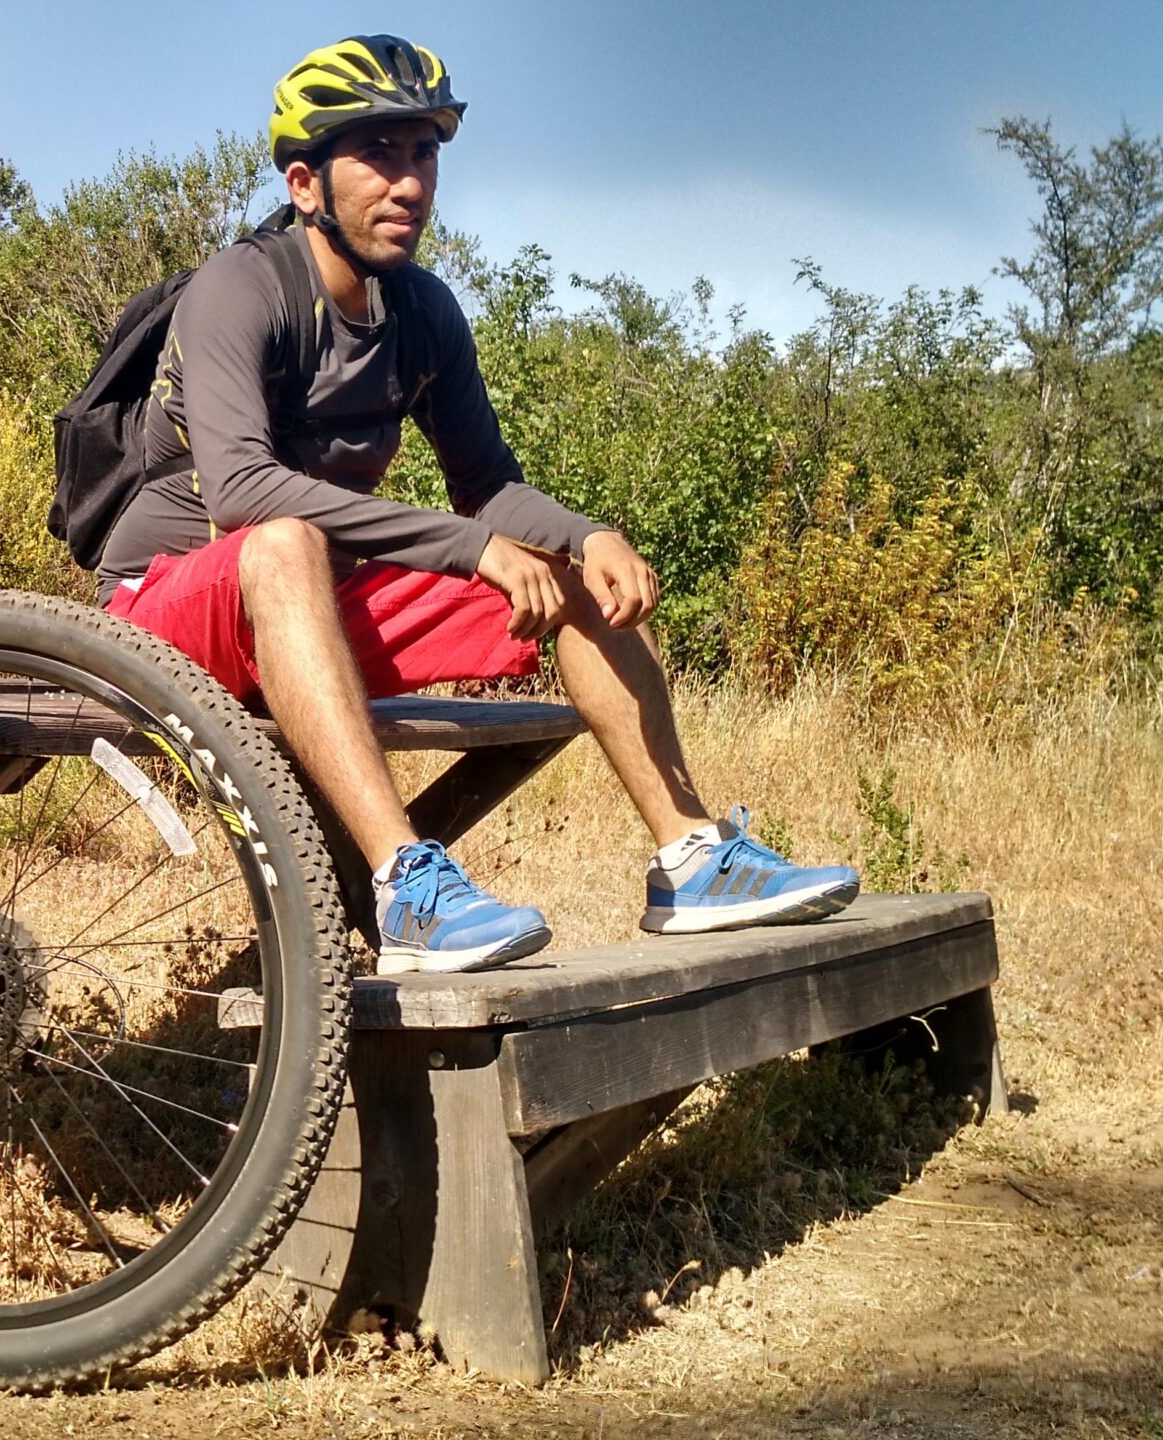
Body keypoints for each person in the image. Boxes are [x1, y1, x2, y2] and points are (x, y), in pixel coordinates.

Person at [96, 34, 857, 974]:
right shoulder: (240, 290)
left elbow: (486, 486)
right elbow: (244, 492)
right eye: (378, 154)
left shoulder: (422, 312)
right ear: (304, 183)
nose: (408, 183)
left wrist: (586, 536)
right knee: (286, 539)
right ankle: (404, 887)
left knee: (565, 575)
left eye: (424, 154)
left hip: (305, 609)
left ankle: (690, 857)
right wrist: (469, 549)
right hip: (161, 612)